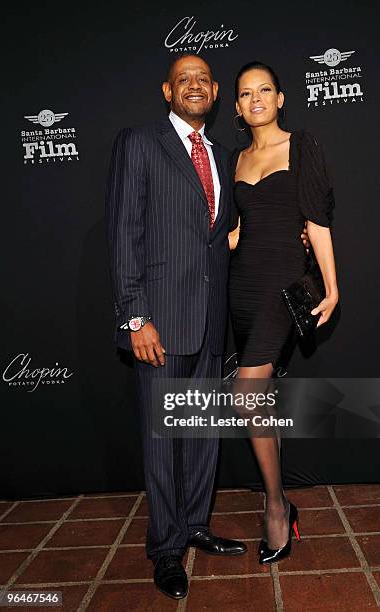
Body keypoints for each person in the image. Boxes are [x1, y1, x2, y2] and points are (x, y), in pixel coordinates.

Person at [105, 54, 249, 601]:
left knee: (203, 436)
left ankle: (194, 525)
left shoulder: (220, 154)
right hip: (159, 324)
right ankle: (166, 548)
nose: (194, 86)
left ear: (214, 92)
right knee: (163, 441)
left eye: (203, 80)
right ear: (168, 91)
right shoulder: (139, 142)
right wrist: (135, 316)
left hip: (210, 325)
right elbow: (123, 235)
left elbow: (216, 234)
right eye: (183, 79)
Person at [228, 61, 339, 564]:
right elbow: (234, 231)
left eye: (264, 89)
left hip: (283, 285)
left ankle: (275, 505)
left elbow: (317, 222)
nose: (255, 98)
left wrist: (333, 288)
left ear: (281, 98)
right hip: (242, 288)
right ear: (236, 106)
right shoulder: (234, 159)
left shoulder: (303, 145)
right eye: (246, 92)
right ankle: (278, 498)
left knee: (246, 393)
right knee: (260, 399)